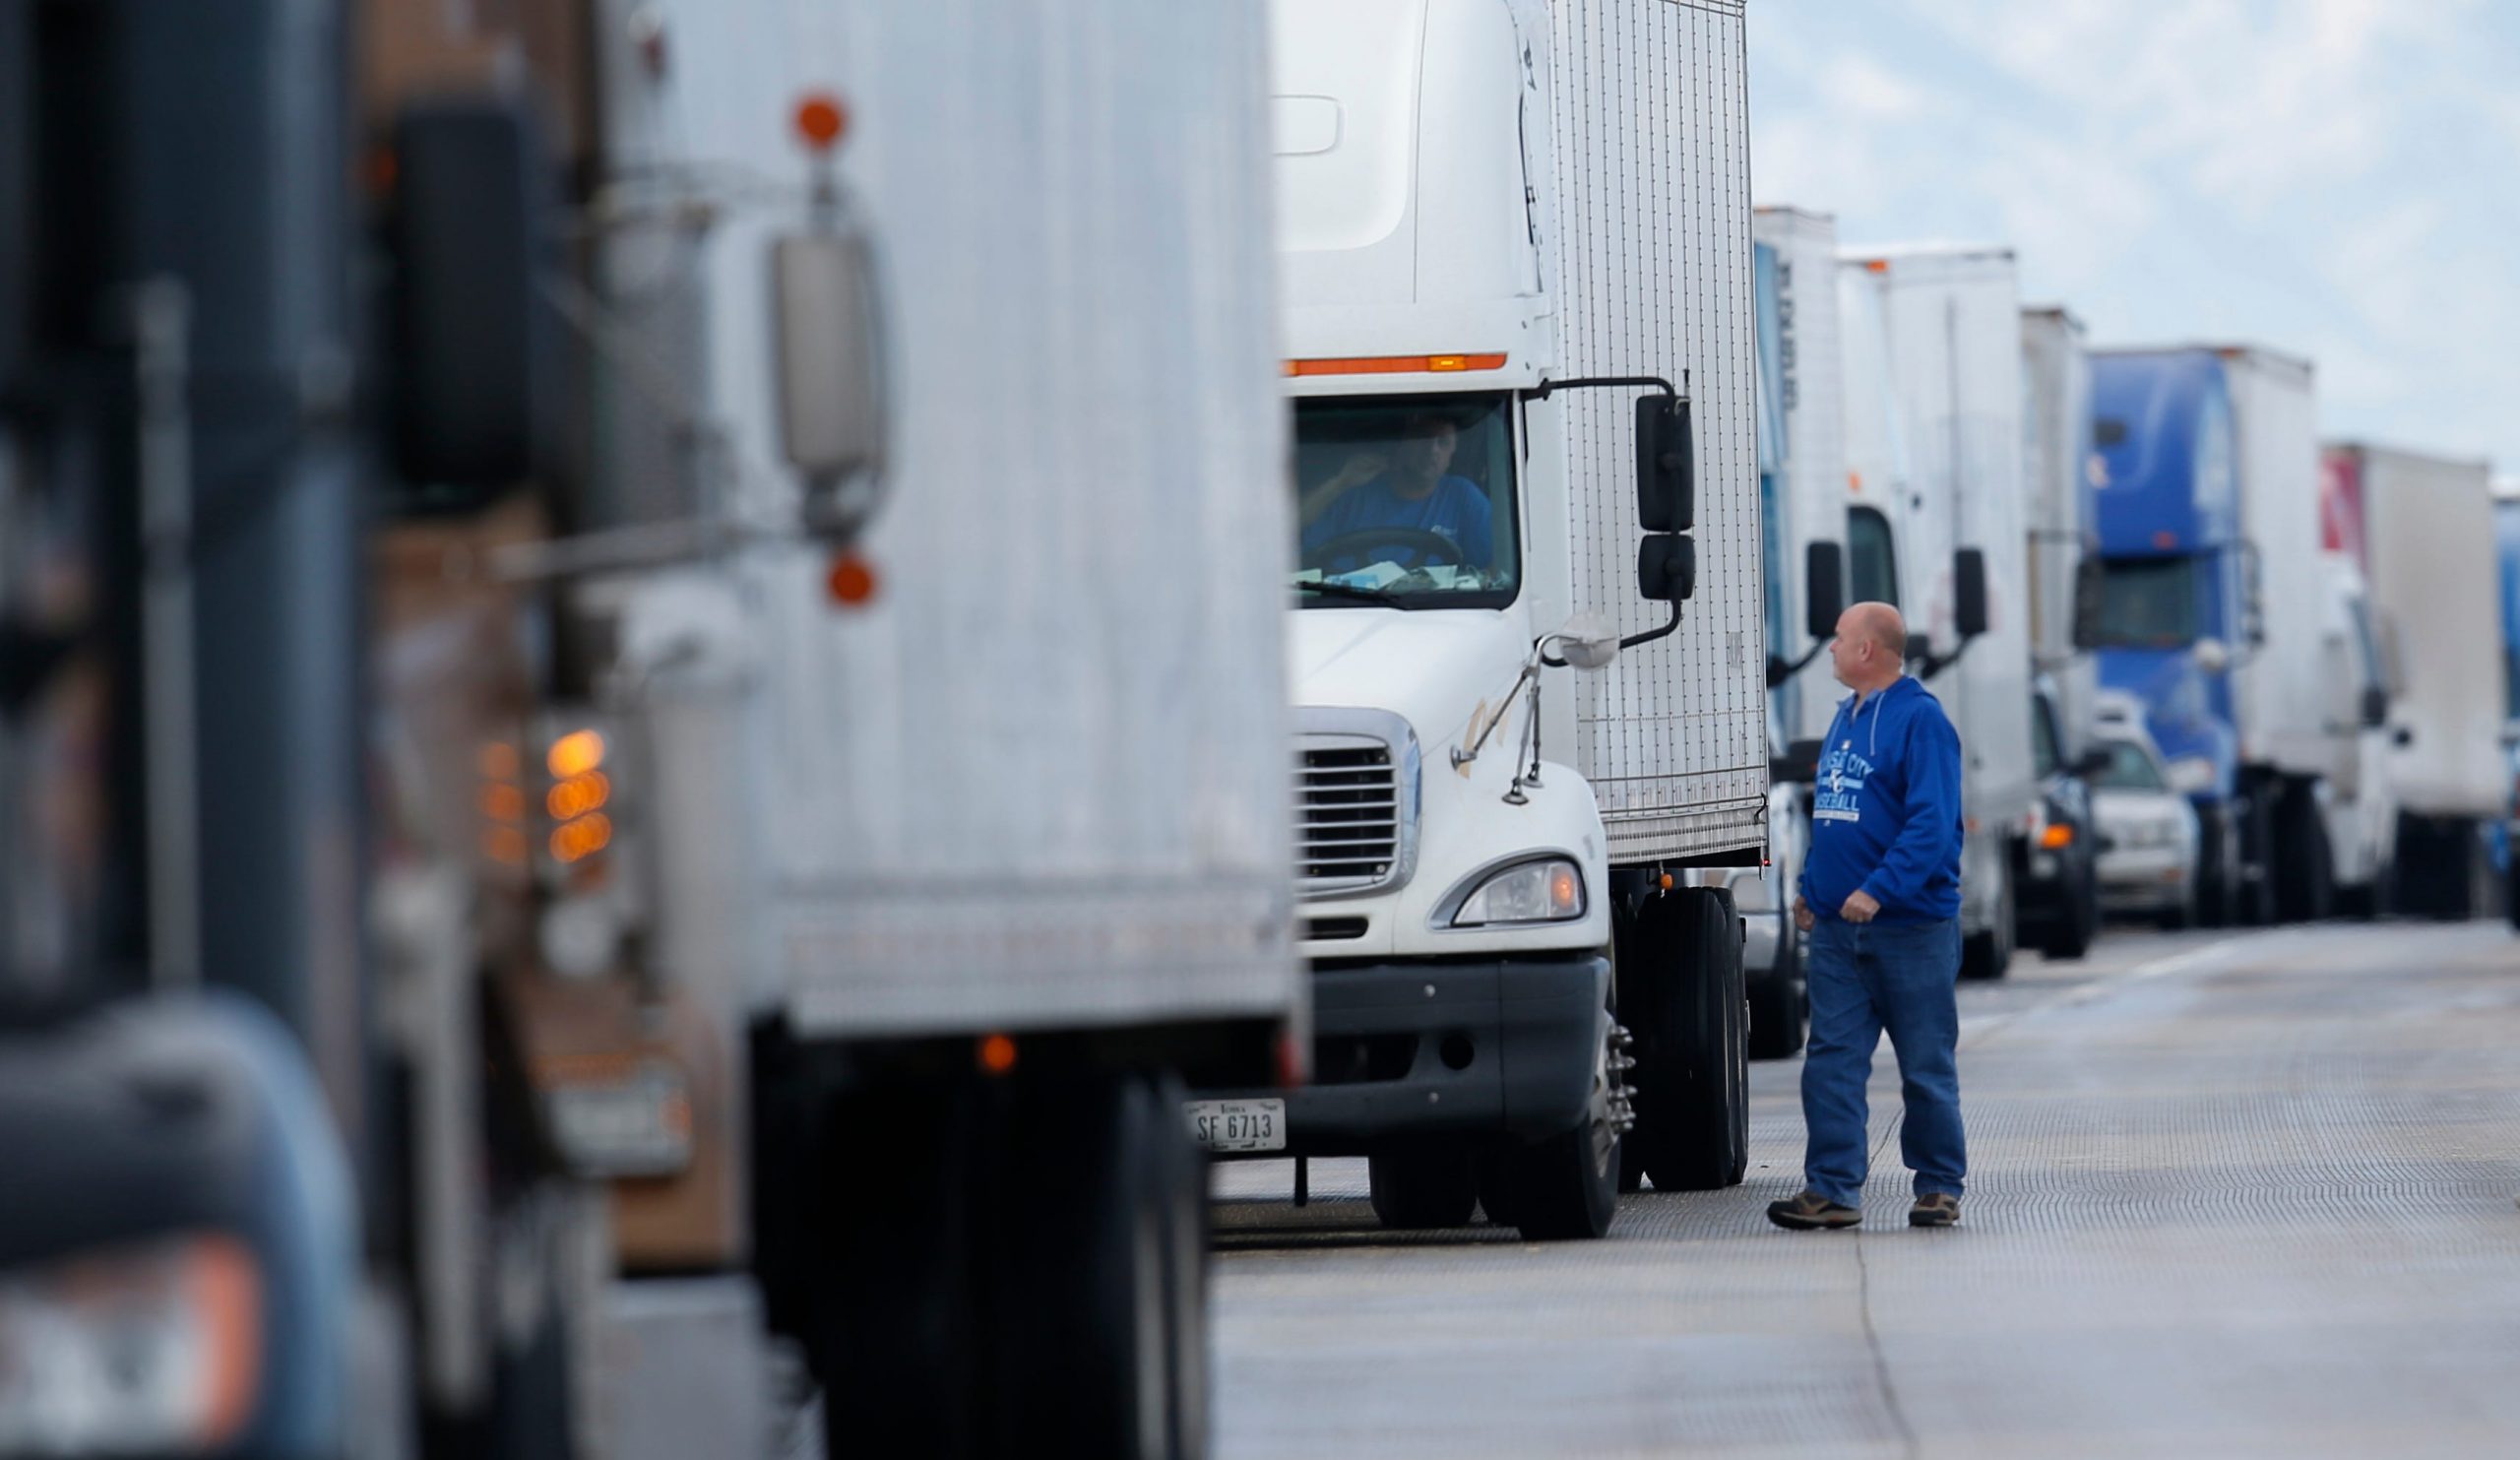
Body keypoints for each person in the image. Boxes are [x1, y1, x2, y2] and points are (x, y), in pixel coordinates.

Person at [1770, 601, 1969, 1231]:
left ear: (1867, 651)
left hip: (1911, 930)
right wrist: (1811, 888)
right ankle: (1832, 1190)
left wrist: (1880, 889)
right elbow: (1832, 814)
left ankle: (1938, 1185)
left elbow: (1932, 824)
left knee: (1925, 1067)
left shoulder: (1921, 721)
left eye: (1839, 638)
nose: (1829, 648)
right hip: (1837, 933)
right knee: (1829, 1062)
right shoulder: (1843, 720)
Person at [1297, 413, 1494, 572]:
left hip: (1432, 614)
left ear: (1452, 456)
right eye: (1423, 439)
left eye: (1443, 443)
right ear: (1402, 444)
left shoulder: (1463, 497)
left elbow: (1497, 570)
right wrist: (1339, 482)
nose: (1433, 450)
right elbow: (1287, 532)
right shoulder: (1353, 492)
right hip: (1348, 611)